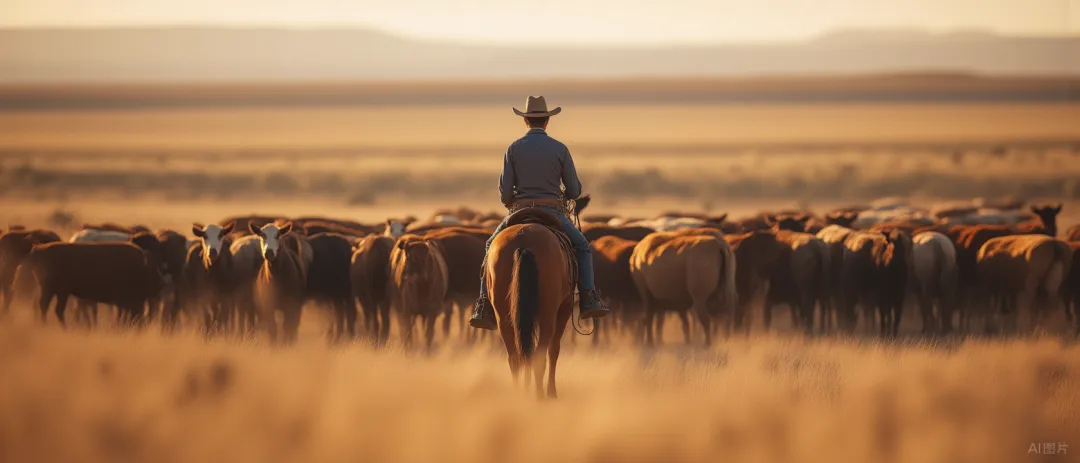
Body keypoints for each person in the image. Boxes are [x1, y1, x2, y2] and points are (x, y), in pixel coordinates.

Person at [469, 96, 609, 330]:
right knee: (583, 247)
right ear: (547, 121)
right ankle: (589, 297)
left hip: (519, 211)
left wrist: (514, 200)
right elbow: (574, 191)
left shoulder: (513, 148)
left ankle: (483, 303)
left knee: (490, 246)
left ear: (525, 120)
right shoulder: (559, 149)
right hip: (552, 211)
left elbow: (504, 193)